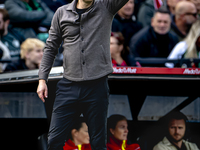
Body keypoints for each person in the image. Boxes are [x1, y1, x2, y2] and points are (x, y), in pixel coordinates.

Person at [36, 0, 129, 150]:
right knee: (54, 140)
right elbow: (51, 47)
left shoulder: (106, 6)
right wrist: (42, 79)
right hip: (68, 85)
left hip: (96, 86)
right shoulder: (61, 12)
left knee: (98, 142)